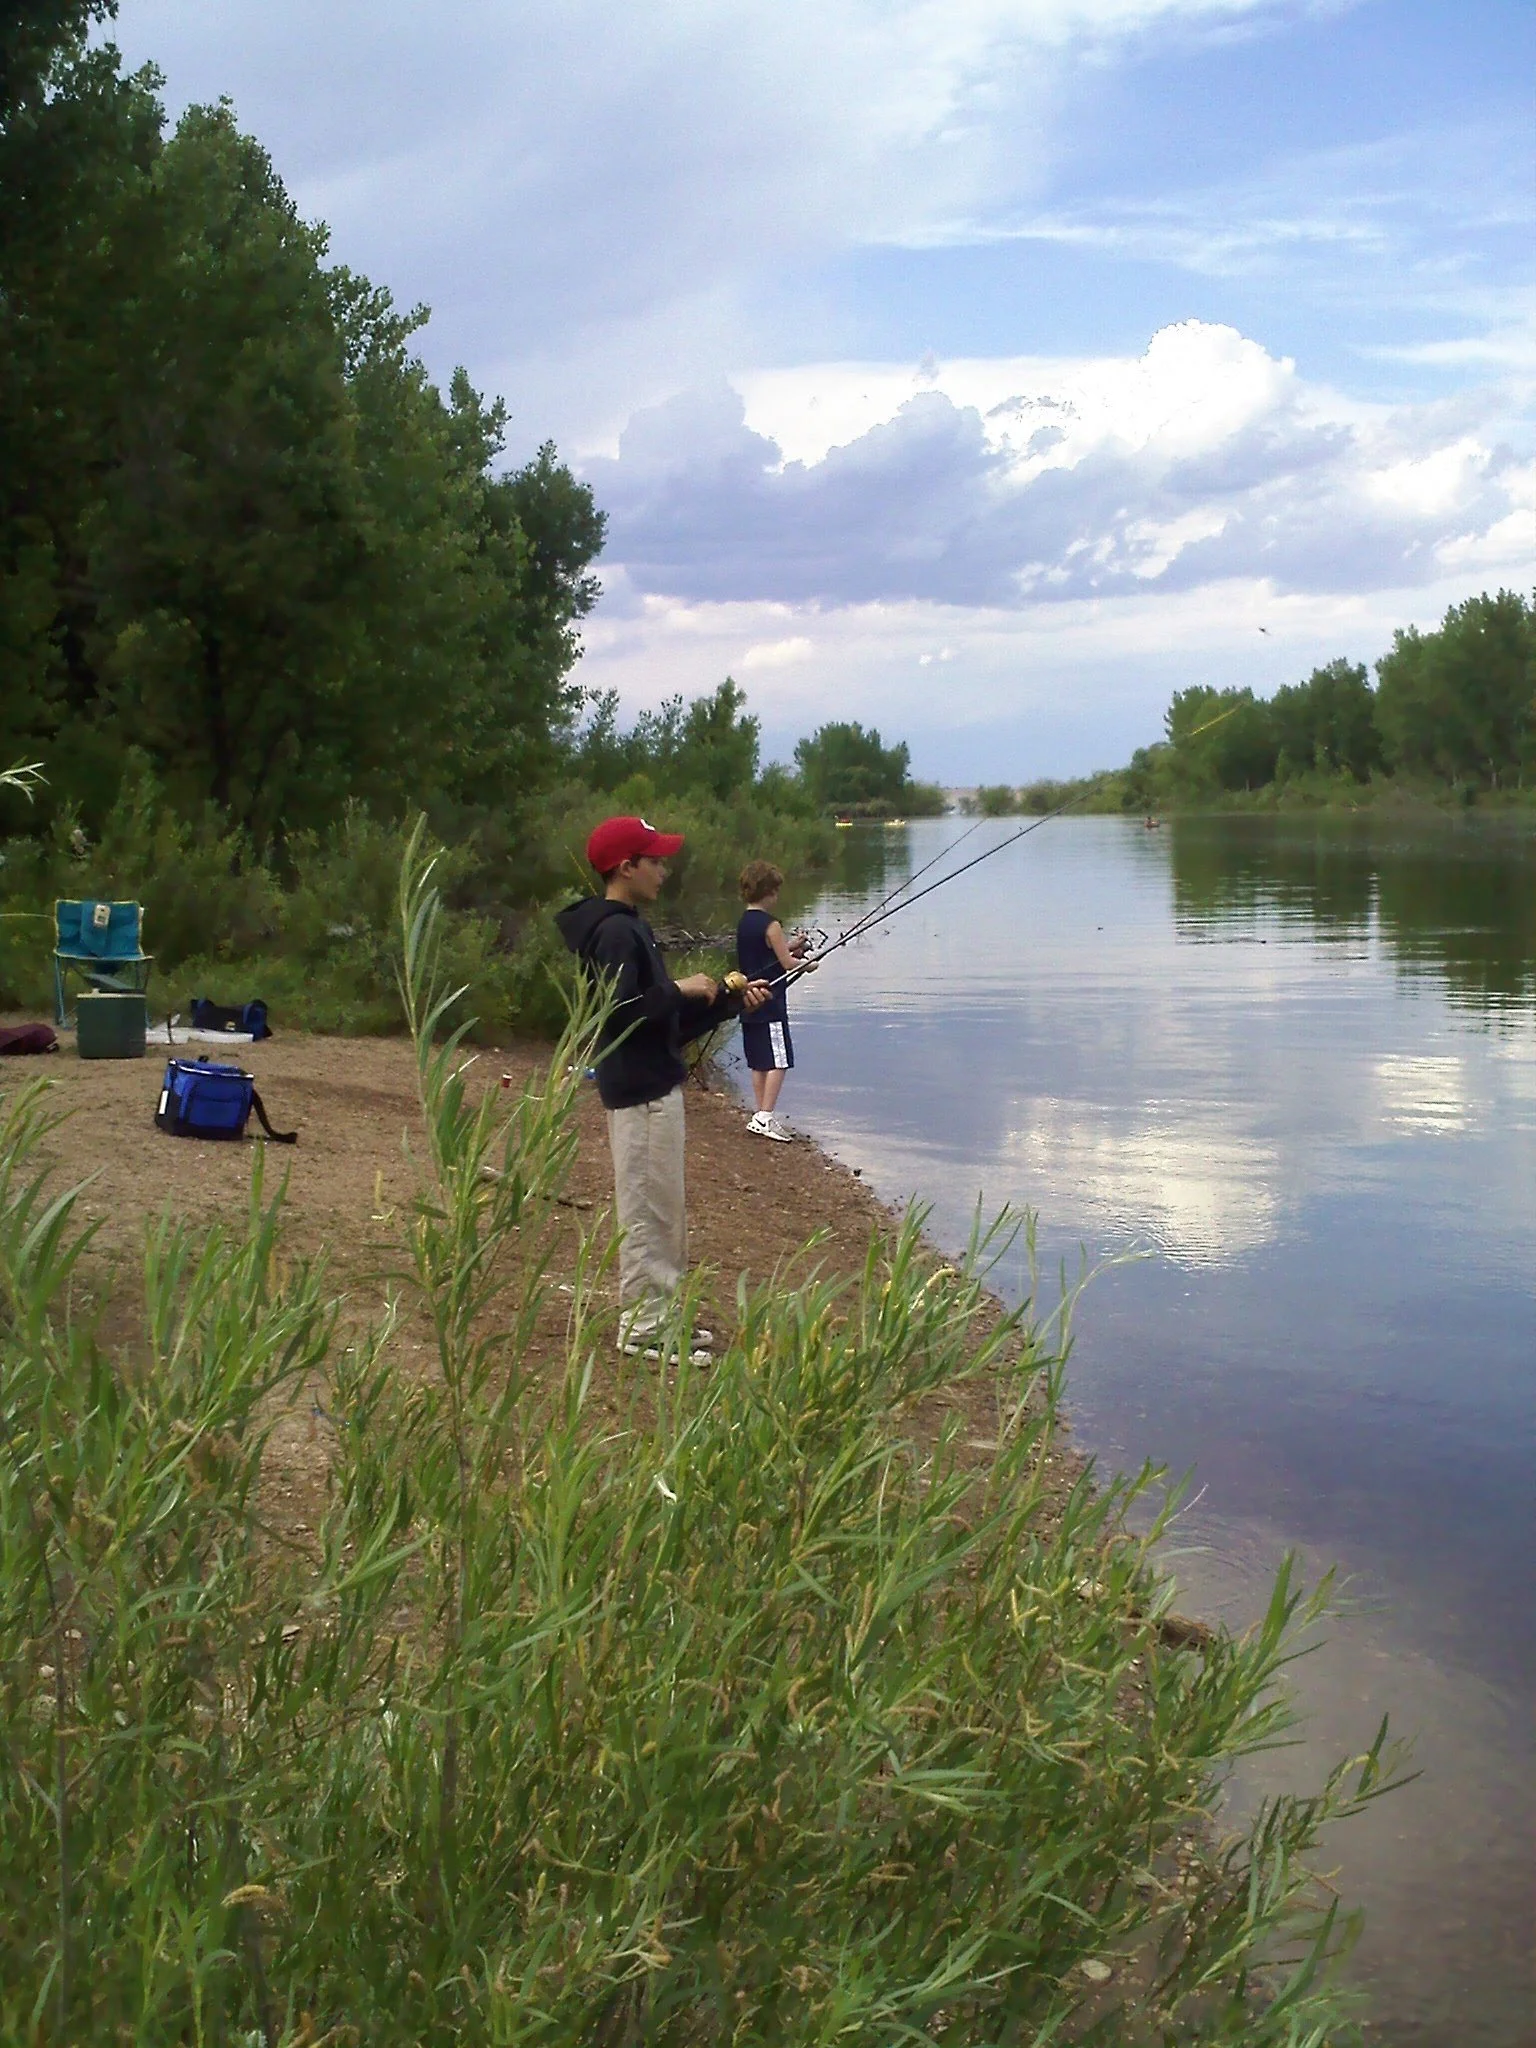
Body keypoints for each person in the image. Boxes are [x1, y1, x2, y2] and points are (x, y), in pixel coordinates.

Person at [555, 816, 770, 1359]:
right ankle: (644, 1327)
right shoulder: (615, 932)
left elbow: (661, 1024)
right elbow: (619, 1013)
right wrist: (678, 987)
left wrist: (723, 1002)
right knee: (648, 1212)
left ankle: (661, 1314)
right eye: (654, 861)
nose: (663, 870)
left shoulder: (629, 926)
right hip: (640, 1095)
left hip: (652, 1086)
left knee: (663, 1210)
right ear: (625, 867)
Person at [735, 859, 812, 1143]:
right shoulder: (772, 924)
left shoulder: (745, 922)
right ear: (768, 892)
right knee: (779, 1060)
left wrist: (793, 945)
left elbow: (766, 954)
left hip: (749, 1001)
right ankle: (766, 1116)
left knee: (758, 1062)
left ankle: (760, 1113)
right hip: (770, 1003)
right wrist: (809, 963)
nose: (777, 896)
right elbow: (788, 963)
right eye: (776, 891)